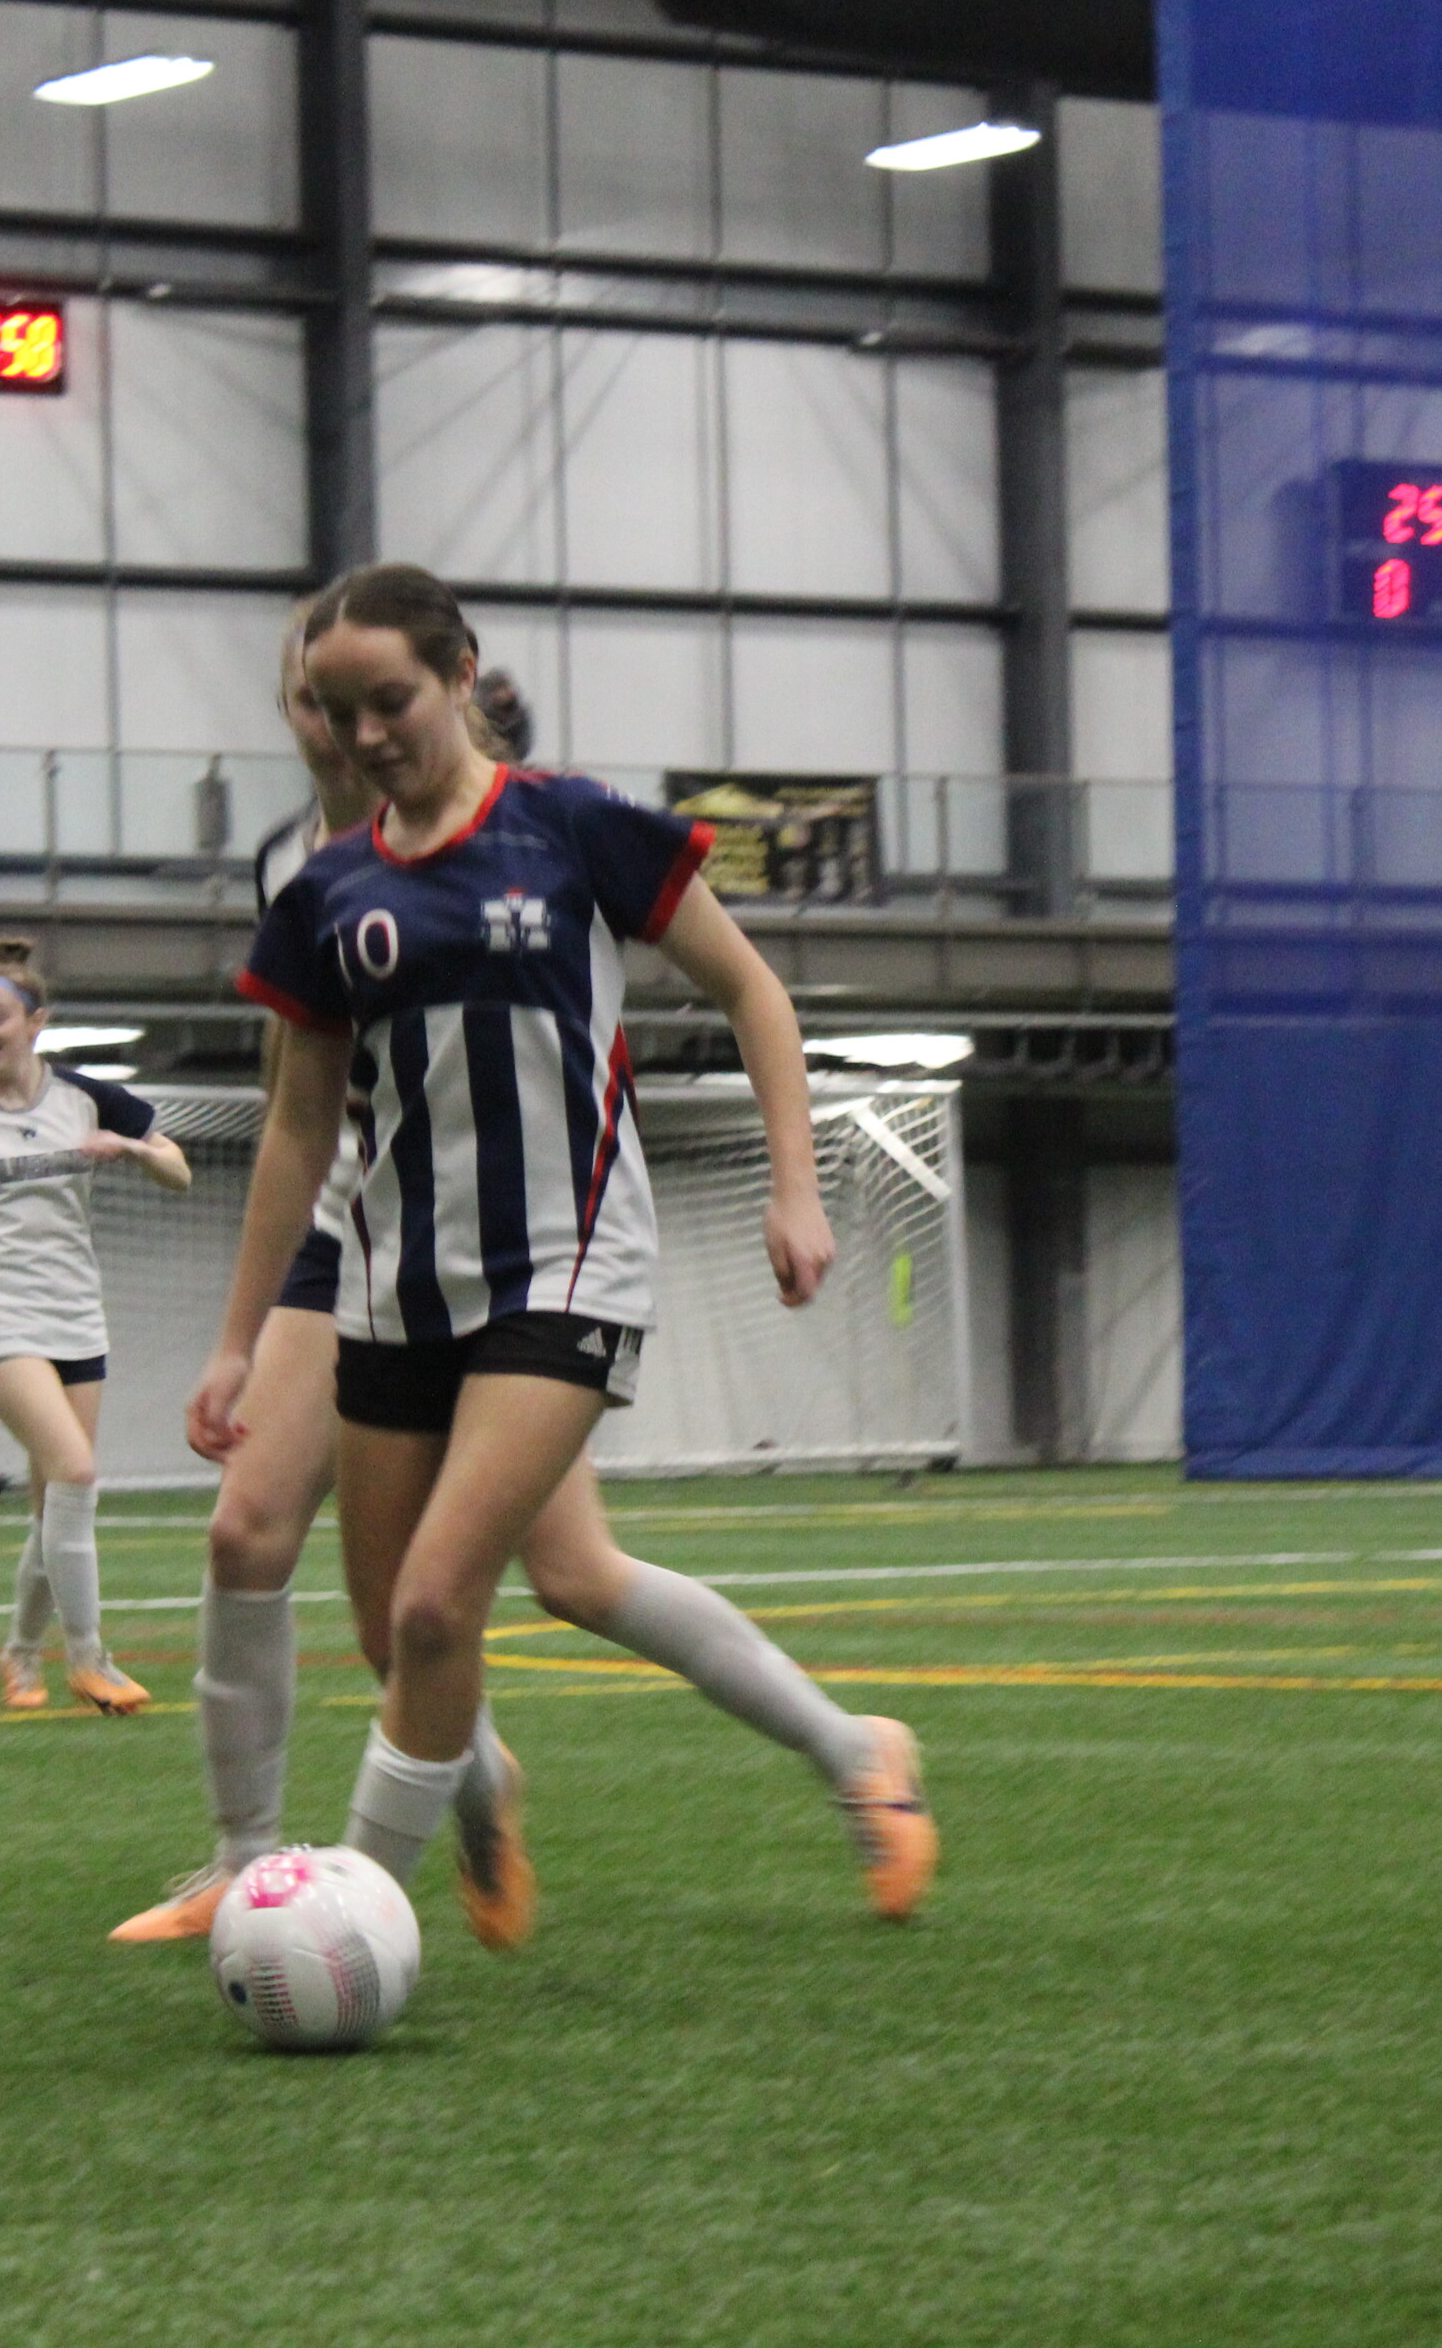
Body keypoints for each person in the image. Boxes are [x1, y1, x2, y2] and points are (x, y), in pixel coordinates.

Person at [112, 600, 937, 1950]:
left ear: (457, 678)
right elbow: (299, 1124)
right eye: (330, 705)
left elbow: (752, 988)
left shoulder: (563, 826)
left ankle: (345, 1916)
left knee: (443, 1604)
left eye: (386, 700)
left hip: (558, 1269)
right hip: (386, 1270)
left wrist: (796, 1188)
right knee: (496, 1598)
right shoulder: (318, 884)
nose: (359, 731)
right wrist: (236, 1337)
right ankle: (766, 1756)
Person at [0, 938, 193, 1713]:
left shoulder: (88, 1099)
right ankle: (91, 1661)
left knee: (51, 1502)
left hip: (74, 1310)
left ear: (35, 1023)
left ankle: (19, 1658)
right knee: (77, 1473)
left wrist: (128, 1146)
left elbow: (178, 1169)